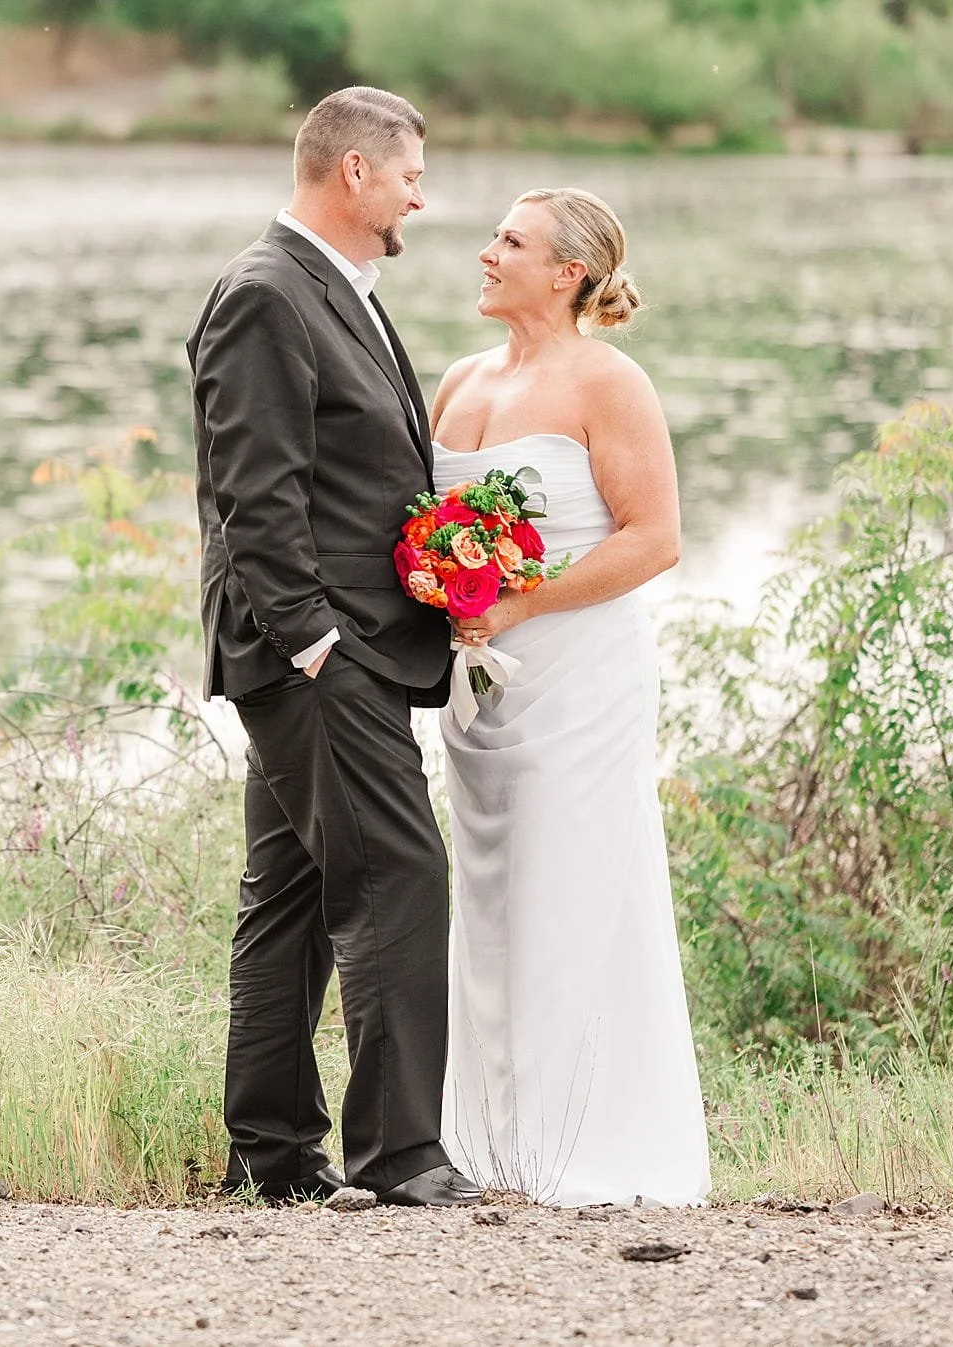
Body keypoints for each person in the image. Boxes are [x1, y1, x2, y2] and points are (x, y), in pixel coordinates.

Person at [185, 87, 481, 1207]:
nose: (421, 194)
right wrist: (314, 642)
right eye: (411, 173)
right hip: (315, 653)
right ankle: (400, 1154)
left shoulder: (332, 287)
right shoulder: (267, 294)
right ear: (352, 172)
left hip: (335, 646)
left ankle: (271, 1151)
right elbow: (252, 493)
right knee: (399, 870)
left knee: (295, 891)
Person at [429, 187, 712, 1207]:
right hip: (478, 684)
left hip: (578, 674)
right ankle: (484, 1142)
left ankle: (592, 1145)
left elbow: (654, 536)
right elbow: (425, 519)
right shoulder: (460, 381)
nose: (486, 252)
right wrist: (442, 587)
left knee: (573, 889)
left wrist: (520, 604)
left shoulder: (609, 380)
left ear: (566, 273)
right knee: (489, 899)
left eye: (509, 241)